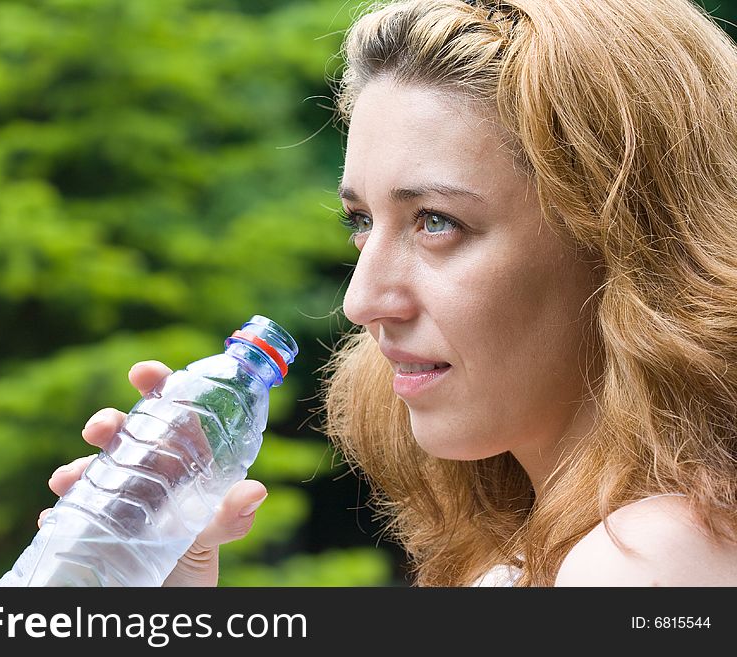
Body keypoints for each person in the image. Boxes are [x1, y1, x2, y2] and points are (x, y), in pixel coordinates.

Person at [42, 0, 737, 586]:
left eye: (437, 222)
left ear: (628, 244)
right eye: (361, 223)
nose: (362, 300)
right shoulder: (534, 552)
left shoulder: (649, 556)